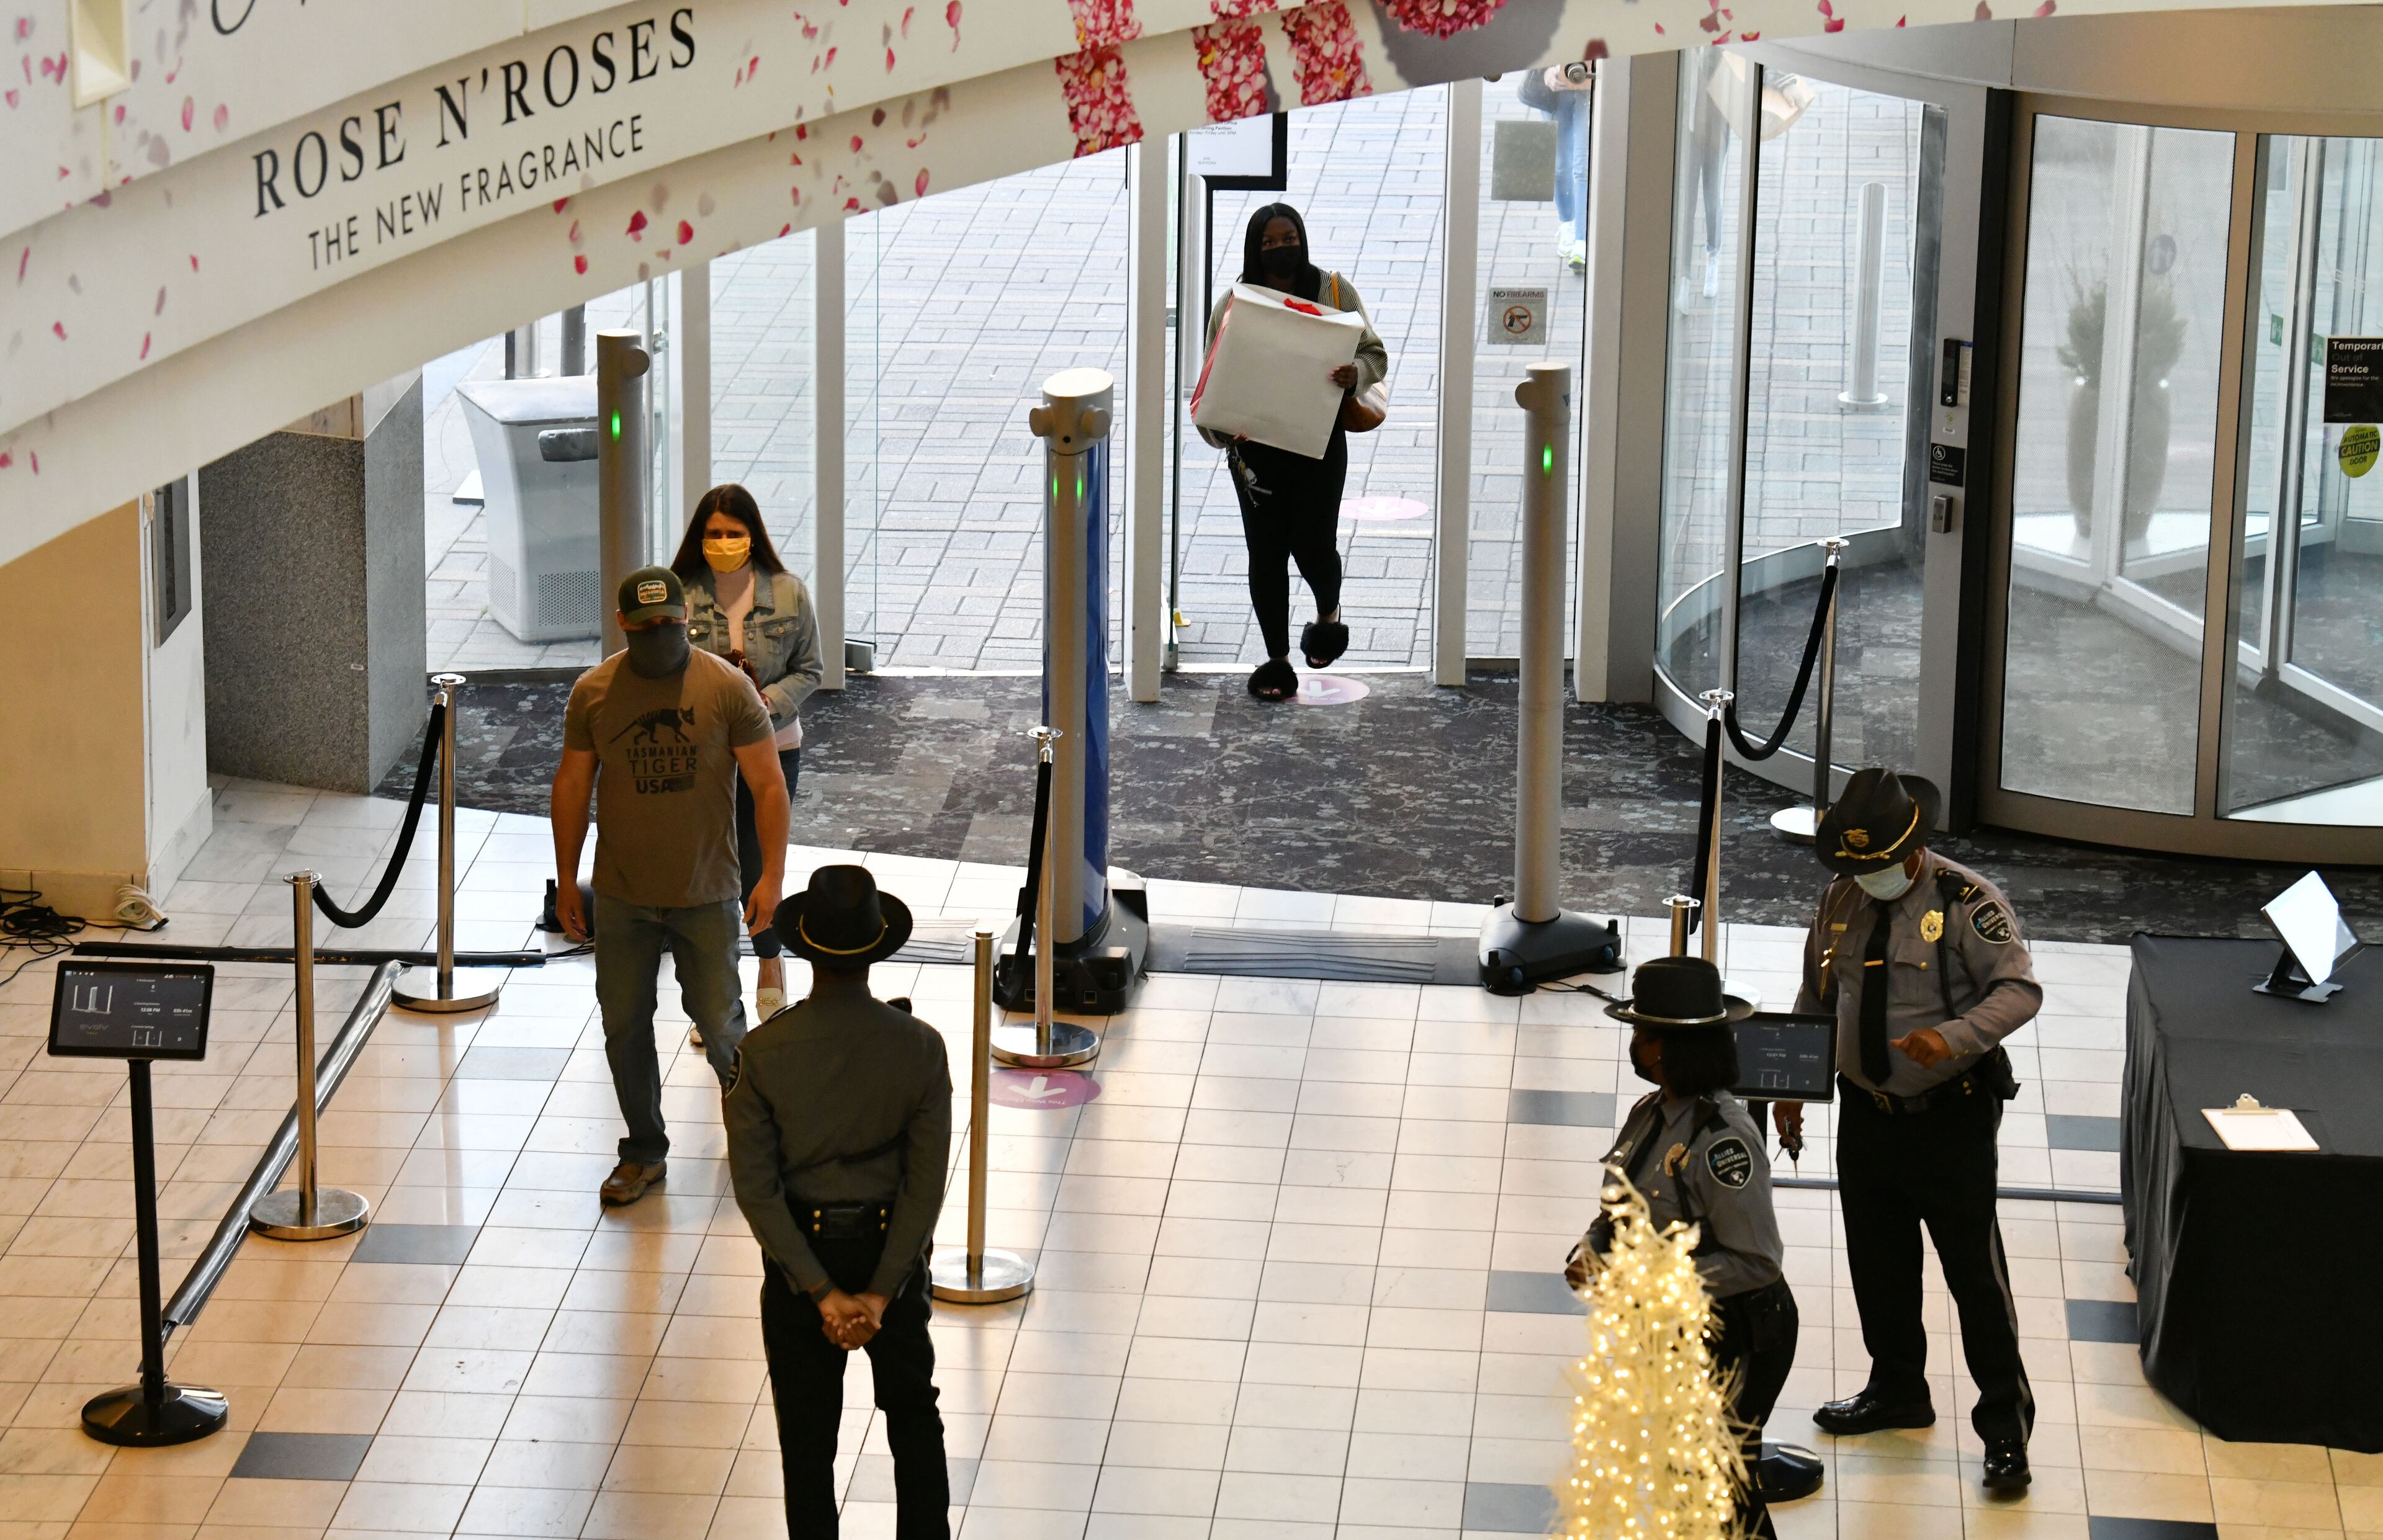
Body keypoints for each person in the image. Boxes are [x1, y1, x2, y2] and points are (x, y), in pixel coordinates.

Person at [1780, 768, 2041, 1494]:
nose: (1868, 879)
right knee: (1880, 1264)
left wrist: (1955, 1036)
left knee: (1974, 1279)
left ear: (1913, 846)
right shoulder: (1841, 898)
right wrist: (1795, 1084)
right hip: (1868, 1114)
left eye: (1878, 866)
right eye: (1856, 868)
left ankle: (2007, 1431)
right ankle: (1897, 1389)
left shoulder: (1965, 902)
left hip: (1948, 1116)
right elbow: (1818, 989)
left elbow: (2019, 989)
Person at [725, 864, 953, 1539]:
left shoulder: (763, 1053)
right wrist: (881, 1294)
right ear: (879, 945)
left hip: (802, 1255)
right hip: (894, 1249)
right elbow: (925, 1184)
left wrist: (822, 1291)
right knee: (914, 1416)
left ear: (804, 946)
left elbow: (757, 1191)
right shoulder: (920, 1047)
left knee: (807, 1440)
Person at [550, 566, 789, 1207]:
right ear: (623, 622)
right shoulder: (594, 692)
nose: (659, 633)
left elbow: (769, 784)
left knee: (720, 1020)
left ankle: (758, 1139)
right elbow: (572, 786)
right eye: (646, 624)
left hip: (707, 890)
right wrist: (568, 880)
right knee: (624, 1025)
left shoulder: (727, 687)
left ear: (687, 619)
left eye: (670, 623)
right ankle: (643, 1150)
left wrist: (772, 876)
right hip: (624, 894)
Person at [1569, 954, 1821, 1538]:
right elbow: (1624, 1199)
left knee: (1720, 1484)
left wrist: (1651, 1280)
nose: (1635, 1045)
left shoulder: (1722, 1142)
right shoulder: (1652, 1113)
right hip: (1678, 1328)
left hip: (1740, 1331)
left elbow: (1755, 1261)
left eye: (1643, 1034)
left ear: (1668, 1048)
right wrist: (1593, 1244)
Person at [1201, 202, 1389, 702]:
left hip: (1318, 445)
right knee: (1265, 554)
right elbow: (1210, 382)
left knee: (1313, 544)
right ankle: (1277, 659)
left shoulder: (1333, 290)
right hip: (1256, 454)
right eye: (1269, 243)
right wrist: (1223, 433)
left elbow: (1375, 353)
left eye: (1289, 239)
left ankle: (1328, 616)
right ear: (1254, 248)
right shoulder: (1234, 304)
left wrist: (1357, 376)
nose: (1281, 249)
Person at [673, 483, 824, 1031]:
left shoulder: (788, 592)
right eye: (714, 535)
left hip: (775, 745)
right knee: (711, 867)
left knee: (760, 861)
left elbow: (810, 669)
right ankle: (715, 988)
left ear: (753, 536)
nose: (723, 543)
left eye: (734, 534)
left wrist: (764, 706)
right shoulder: (682, 593)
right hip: (706, 751)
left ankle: (769, 964)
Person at [1518, 62, 1594, 269]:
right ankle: (1568, 223)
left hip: (1591, 84)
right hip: (1558, 88)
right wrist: (1545, 71)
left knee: (1582, 165)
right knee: (1561, 164)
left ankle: (1582, 239)